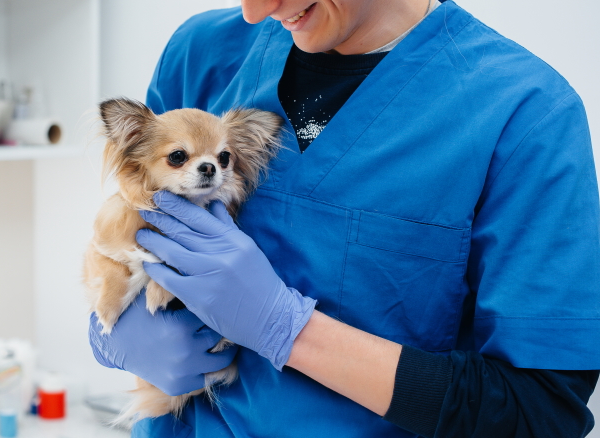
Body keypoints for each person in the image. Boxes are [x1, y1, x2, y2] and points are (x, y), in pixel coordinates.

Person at [88, 0, 600, 436]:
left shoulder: (524, 114)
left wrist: (287, 329)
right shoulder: (204, 53)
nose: (257, 11)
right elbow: (125, 231)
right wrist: (111, 333)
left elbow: (540, 413)